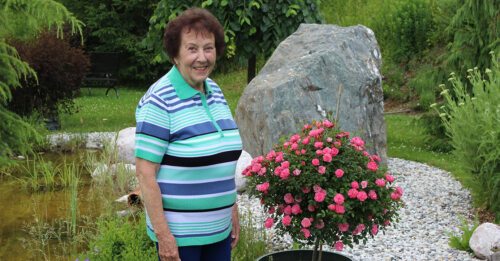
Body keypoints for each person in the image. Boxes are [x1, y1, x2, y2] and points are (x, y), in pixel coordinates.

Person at [134, 8, 243, 261]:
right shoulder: (159, 100)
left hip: (218, 231)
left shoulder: (215, 91)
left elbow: (221, 157)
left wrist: (231, 210)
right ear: (175, 54)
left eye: (209, 48)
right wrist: (164, 236)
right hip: (181, 237)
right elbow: (145, 173)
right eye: (192, 49)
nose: (202, 57)